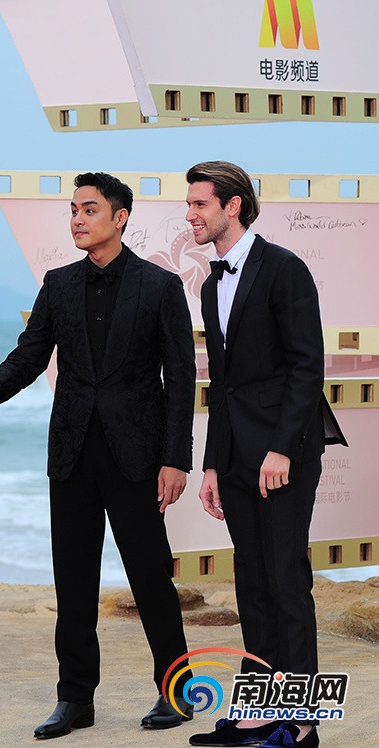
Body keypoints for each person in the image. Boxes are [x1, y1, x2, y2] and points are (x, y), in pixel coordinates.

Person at [0, 172, 197, 739]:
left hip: (137, 457)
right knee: (74, 583)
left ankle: (177, 692)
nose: (78, 220)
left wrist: (175, 459)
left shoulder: (160, 286)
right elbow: (29, 355)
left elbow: (181, 379)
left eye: (89, 210)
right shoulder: (58, 284)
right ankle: (75, 700)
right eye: (74, 210)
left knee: (151, 579)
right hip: (72, 454)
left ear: (120, 217)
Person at [184, 161, 347, 748]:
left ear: (232, 206)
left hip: (284, 452)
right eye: (189, 204)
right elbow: (221, 383)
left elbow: (307, 366)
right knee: (252, 582)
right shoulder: (210, 285)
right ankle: (259, 712)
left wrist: (281, 449)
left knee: (285, 580)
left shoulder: (284, 268)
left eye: (199, 204)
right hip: (235, 455)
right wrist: (212, 462)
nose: (190, 214)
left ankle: (302, 724)